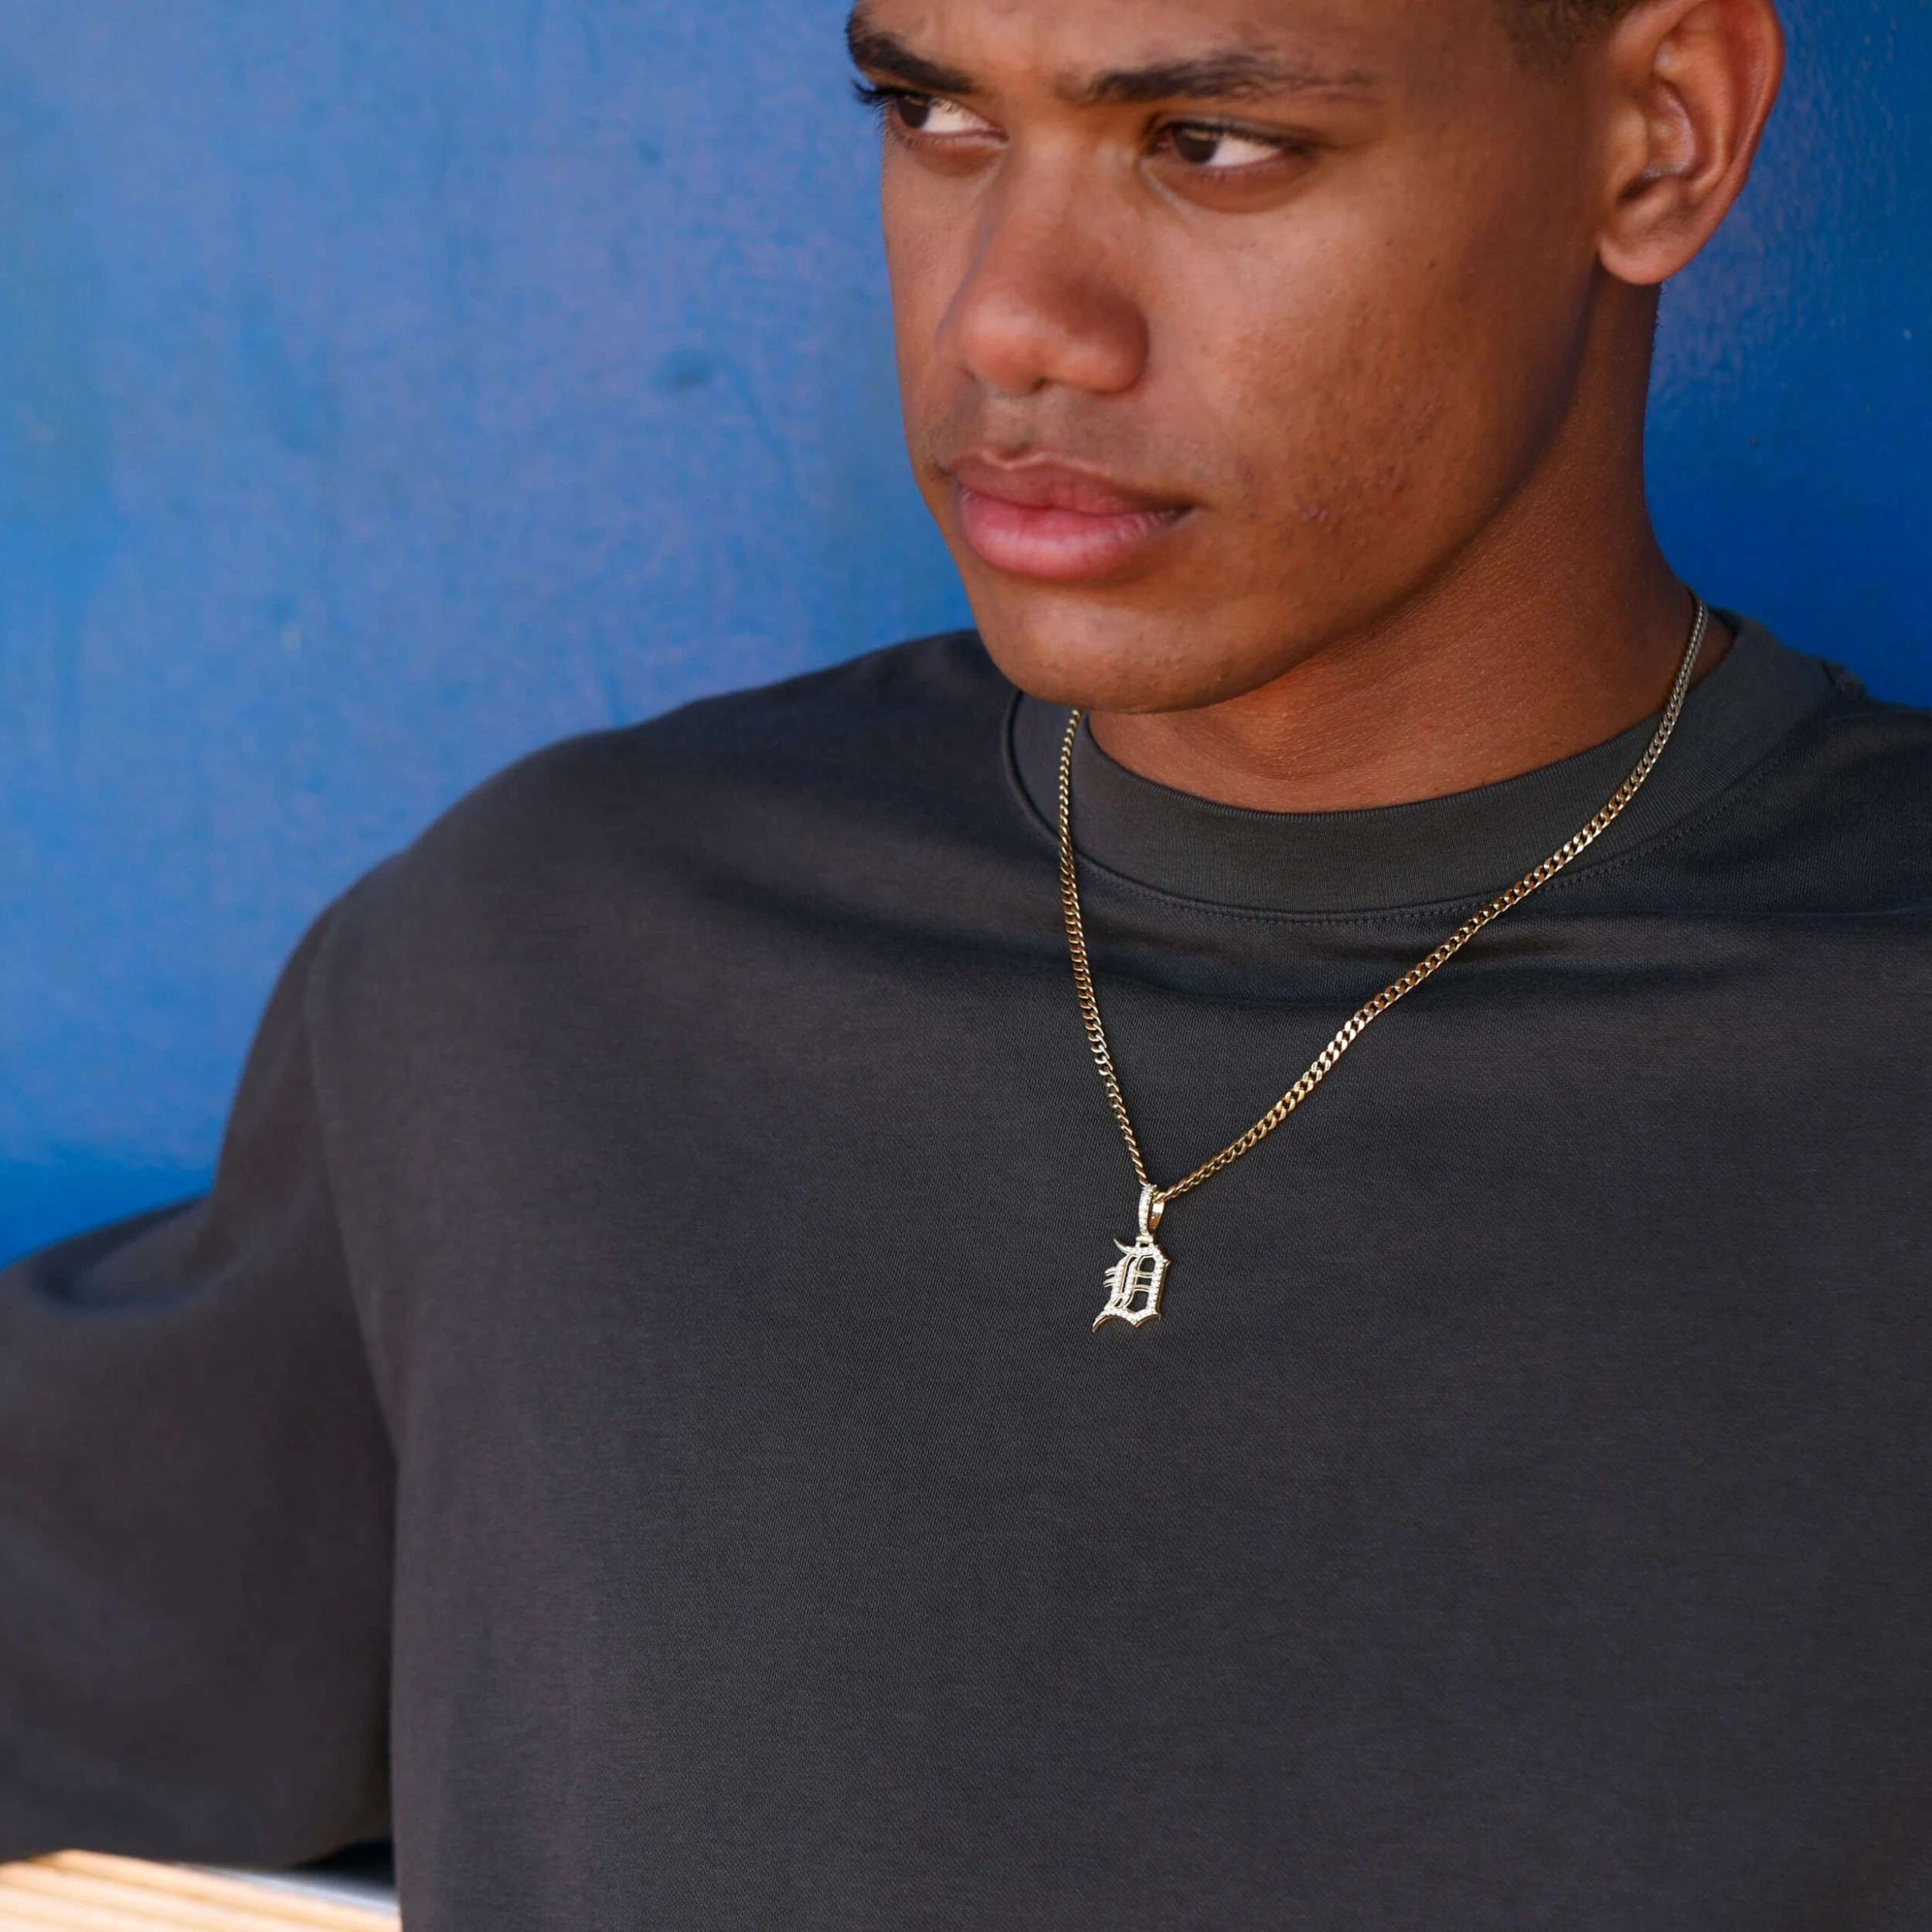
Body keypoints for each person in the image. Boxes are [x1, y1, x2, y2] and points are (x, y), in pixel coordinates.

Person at [4, 0, 1928, 1924]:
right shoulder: (554, 975)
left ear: (1662, 133)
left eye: (1210, 142)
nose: (1009, 320)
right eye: (932, 113)